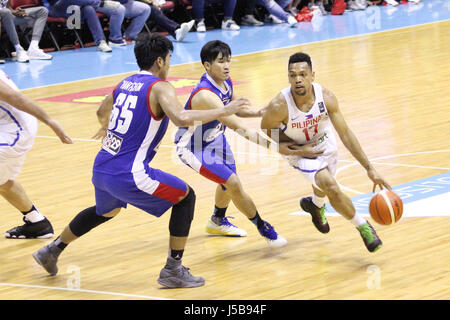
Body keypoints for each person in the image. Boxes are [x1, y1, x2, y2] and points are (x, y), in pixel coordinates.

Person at [32, 33, 248, 288]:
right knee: (185, 197)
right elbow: (179, 117)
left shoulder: (125, 82)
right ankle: (173, 270)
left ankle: (52, 250)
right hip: (130, 173)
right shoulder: (160, 86)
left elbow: (102, 111)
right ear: (159, 61)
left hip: (103, 167)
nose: (169, 65)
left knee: (106, 211)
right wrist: (223, 111)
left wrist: (108, 128)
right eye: (169, 59)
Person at [261, 52, 391, 252]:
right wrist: (292, 147)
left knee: (323, 183)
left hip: (324, 143)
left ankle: (316, 205)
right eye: (293, 75)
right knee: (330, 185)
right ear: (288, 78)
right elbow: (266, 127)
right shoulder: (279, 105)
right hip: (300, 152)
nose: (298, 80)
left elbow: (346, 134)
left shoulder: (327, 98)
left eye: (303, 74)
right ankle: (363, 226)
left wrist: (369, 169)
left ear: (313, 75)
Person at [174, 40, 287, 247]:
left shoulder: (225, 82)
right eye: (220, 62)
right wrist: (276, 146)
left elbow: (235, 110)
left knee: (227, 184)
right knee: (233, 183)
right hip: (193, 147)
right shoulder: (205, 95)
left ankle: (217, 220)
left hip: (215, 138)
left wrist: (259, 111)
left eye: (228, 61)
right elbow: (239, 128)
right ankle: (263, 227)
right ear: (207, 65)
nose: (226, 66)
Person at [0, 69, 73, 239]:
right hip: (7, 125)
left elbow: (15, 98)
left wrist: (50, 121)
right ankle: (37, 223)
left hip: (15, 130)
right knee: (1, 180)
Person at [44, 0, 120, 52]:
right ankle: (100, 3)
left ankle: (100, 42)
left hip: (74, 7)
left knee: (88, 9)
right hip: (54, 8)